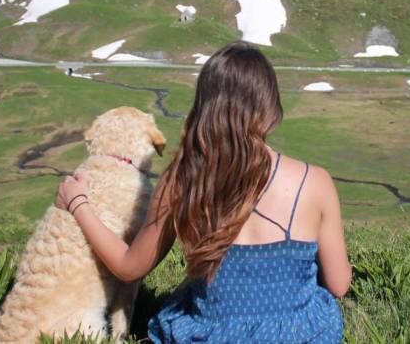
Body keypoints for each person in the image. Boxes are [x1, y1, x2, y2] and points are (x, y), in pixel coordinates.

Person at [56, 41, 352, 343]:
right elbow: (339, 285)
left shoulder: (185, 178)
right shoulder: (315, 181)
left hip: (212, 334)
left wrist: (78, 202)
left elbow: (128, 267)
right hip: (297, 335)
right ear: (268, 104)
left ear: (205, 105)